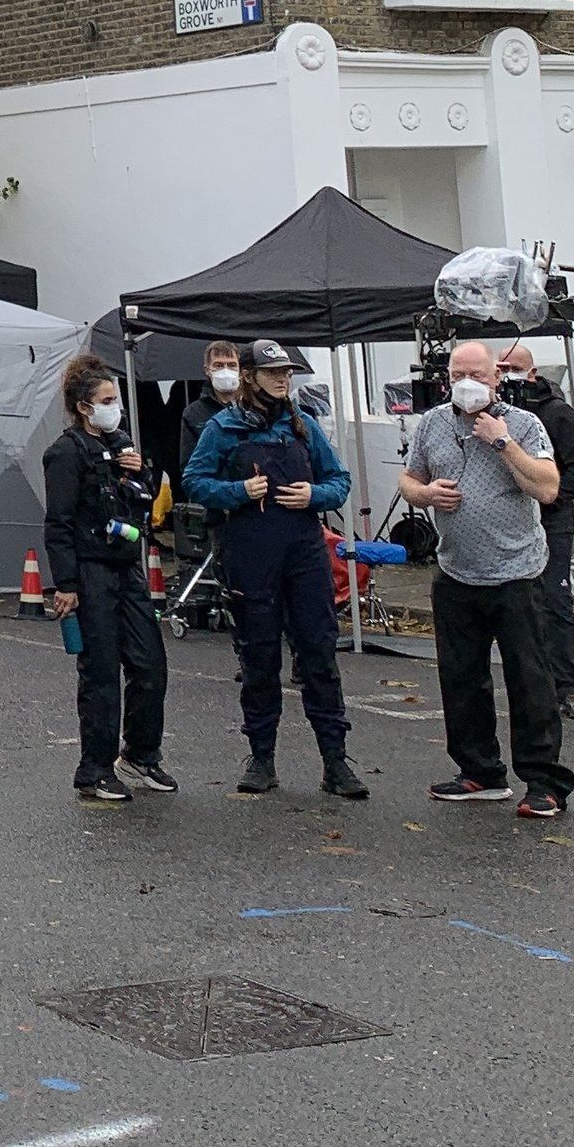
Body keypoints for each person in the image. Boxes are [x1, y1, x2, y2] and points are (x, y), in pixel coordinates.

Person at [183, 336, 367, 801]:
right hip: (250, 555)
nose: (283, 379)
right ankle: (261, 757)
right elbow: (194, 481)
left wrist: (315, 496)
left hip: (304, 554)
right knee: (259, 660)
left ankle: (335, 762)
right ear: (249, 376)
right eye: (273, 372)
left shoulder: (303, 425)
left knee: (319, 655)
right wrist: (238, 492)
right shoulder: (222, 428)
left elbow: (339, 480)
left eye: (286, 372)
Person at [401, 337, 572, 816]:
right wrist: (427, 494)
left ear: (497, 377)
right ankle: (479, 771)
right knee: (461, 678)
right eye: (458, 376)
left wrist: (501, 442)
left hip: (517, 572)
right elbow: (408, 480)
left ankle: (544, 782)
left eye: (476, 375)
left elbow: (548, 487)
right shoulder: (432, 424)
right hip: (456, 571)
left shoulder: (523, 424)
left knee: (530, 679)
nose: (467, 384)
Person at [42, 352, 174, 804]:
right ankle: (94, 769)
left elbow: (143, 500)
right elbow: (58, 523)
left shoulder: (121, 443)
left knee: (150, 665)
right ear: (83, 406)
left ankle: (140, 755)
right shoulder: (64, 453)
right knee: (100, 673)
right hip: (90, 571)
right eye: (107, 399)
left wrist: (144, 473)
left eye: (115, 399)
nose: (114, 407)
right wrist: (66, 585)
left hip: (127, 567)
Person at [499, 341, 574, 724]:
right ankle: (530, 686)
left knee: (554, 601)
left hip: (550, 520)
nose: (507, 375)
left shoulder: (556, 413)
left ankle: (569, 687)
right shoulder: (491, 415)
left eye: (514, 368)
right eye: (501, 368)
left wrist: (552, 496)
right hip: (505, 522)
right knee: (514, 604)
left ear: (533, 373)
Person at [178, 338, 243, 468]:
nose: (226, 371)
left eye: (232, 365)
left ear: (240, 369)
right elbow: (189, 464)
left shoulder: (254, 406)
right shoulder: (193, 412)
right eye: (218, 365)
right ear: (207, 370)